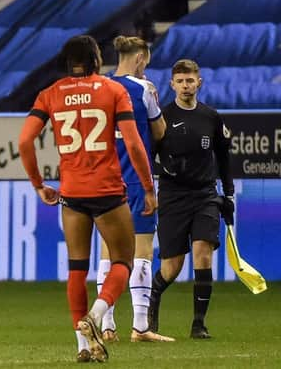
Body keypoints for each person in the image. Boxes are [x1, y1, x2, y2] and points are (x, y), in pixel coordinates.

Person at [18, 35, 157, 363]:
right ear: (97, 59)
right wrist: (148, 188)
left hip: (72, 193)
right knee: (123, 260)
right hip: (107, 190)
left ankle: (83, 347)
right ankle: (95, 315)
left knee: (77, 268)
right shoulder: (113, 90)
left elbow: (25, 141)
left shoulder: (50, 94)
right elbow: (135, 145)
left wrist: (39, 184)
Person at [147, 59, 234, 339]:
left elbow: (223, 156)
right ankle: (152, 299)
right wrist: (162, 170)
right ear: (172, 84)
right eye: (181, 81)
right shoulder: (162, 117)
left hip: (205, 195)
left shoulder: (211, 116)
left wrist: (228, 193)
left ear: (200, 83)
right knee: (172, 267)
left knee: (203, 253)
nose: (186, 85)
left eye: (190, 80)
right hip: (173, 196)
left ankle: (199, 324)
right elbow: (147, 156)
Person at [96, 36, 173, 343]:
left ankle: (107, 326)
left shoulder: (100, 86)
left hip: (103, 182)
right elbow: (160, 131)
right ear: (141, 58)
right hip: (135, 181)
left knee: (107, 254)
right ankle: (141, 326)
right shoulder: (144, 89)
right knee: (141, 252)